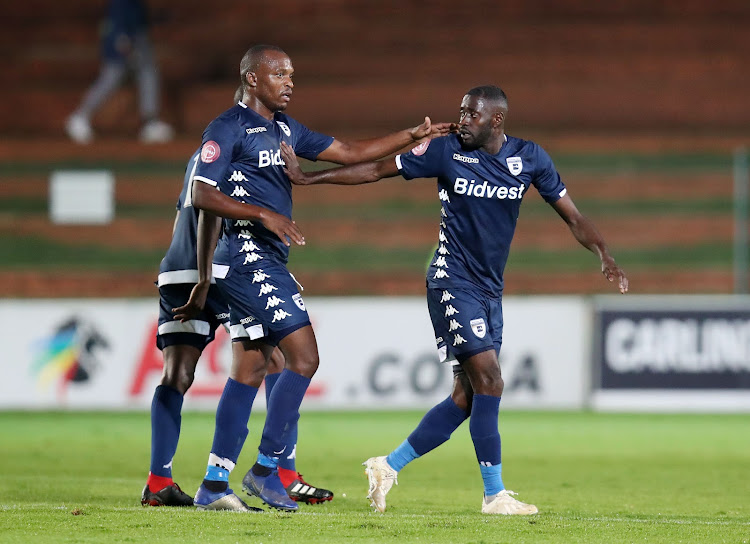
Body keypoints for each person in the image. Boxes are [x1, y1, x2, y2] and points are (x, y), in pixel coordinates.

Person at [280, 84, 629, 515]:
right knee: (491, 381)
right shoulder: (444, 152)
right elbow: (373, 171)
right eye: (461, 112)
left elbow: (573, 215)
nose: (462, 120)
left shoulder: (531, 158)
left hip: (488, 289)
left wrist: (604, 254)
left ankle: (387, 467)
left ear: (496, 120)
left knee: (466, 398)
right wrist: (308, 178)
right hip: (451, 281)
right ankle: (494, 495)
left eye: (471, 115)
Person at [185, 44, 452, 512]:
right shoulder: (227, 128)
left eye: (292, 74)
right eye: (280, 74)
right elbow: (201, 193)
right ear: (252, 79)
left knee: (248, 370)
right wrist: (263, 214)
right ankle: (266, 471)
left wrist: (410, 135)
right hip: (248, 258)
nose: (289, 81)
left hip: (264, 259)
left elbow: (348, 152)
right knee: (303, 357)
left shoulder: (285, 129)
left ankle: (213, 484)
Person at [141, 137, 334, 508]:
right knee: (275, 360)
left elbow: (191, 207)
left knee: (177, 375)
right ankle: (278, 473)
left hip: (178, 266)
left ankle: (159, 480)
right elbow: (218, 213)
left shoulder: (202, 154)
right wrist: (210, 276)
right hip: (216, 269)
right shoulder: (237, 148)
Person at [65, 0, 173, 144]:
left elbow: (139, 16)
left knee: (147, 74)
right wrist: (121, 37)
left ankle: (150, 123)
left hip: (134, 36)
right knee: (112, 78)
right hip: (124, 37)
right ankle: (80, 116)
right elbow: (119, 13)